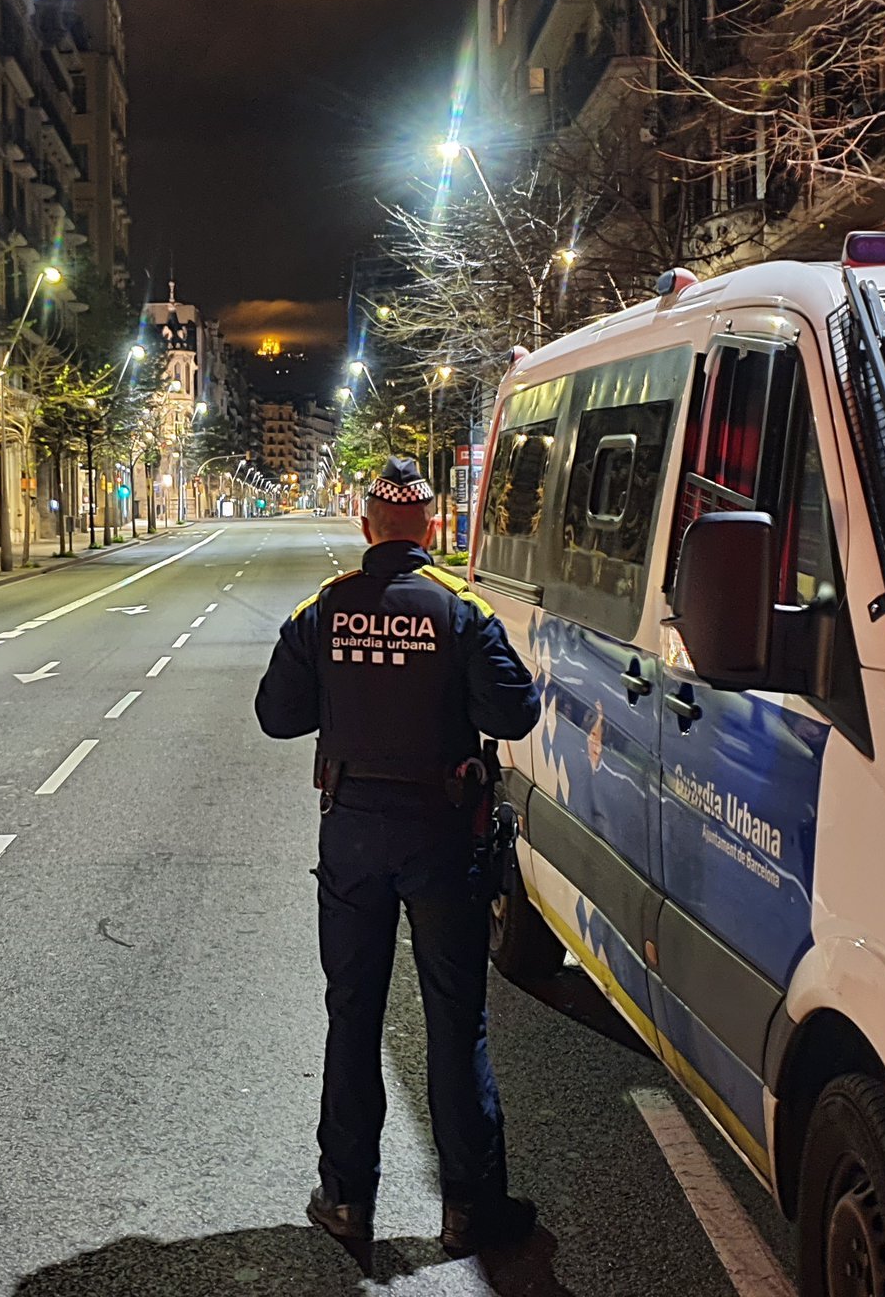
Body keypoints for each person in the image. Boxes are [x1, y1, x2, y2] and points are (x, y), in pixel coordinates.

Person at [254, 455, 542, 1258]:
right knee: (456, 1021)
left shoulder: (327, 608)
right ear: (425, 527)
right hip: (443, 832)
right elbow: (514, 714)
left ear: (368, 525)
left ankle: (346, 1199)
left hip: (352, 831)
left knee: (354, 1013)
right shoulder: (460, 611)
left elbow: (277, 716)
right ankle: (470, 1211)